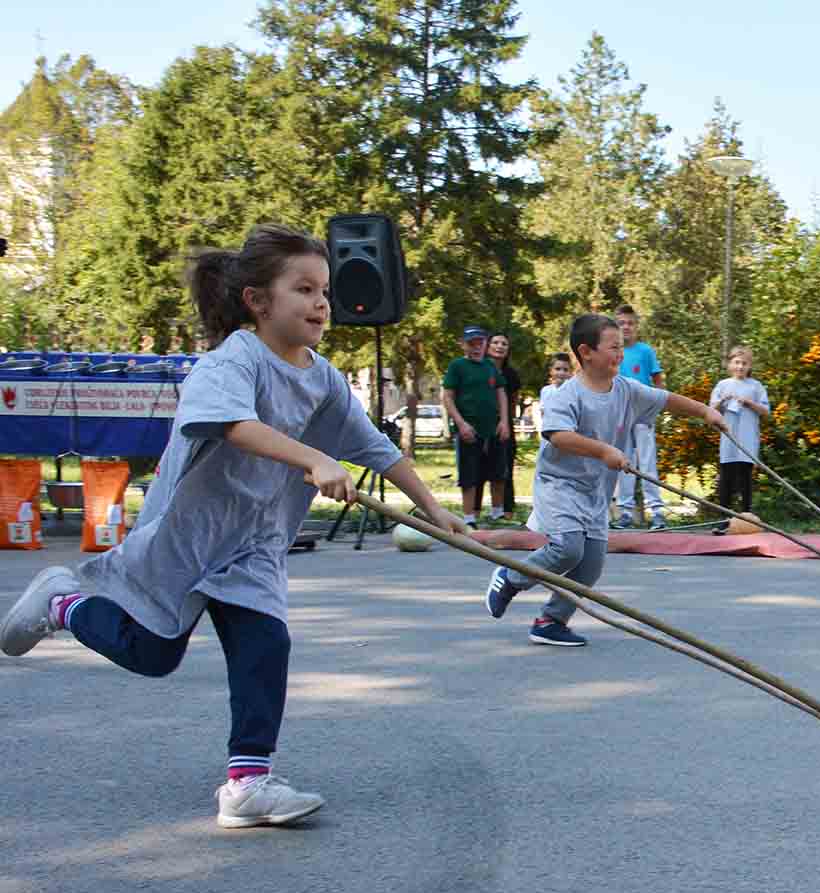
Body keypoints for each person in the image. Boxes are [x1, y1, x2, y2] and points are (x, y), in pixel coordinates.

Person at [0, 223, 468, 828]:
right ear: (257, 300)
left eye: (324, 290)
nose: (321, 303)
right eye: (303, 289)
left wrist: (434, 509)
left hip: (255, 541)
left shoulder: (322, 376)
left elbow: (373, 445)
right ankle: (61, 603)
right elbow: (231, 425)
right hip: (190, 534)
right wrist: (312, 458)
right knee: (151, 655)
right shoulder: (233, 360)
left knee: (265, 645)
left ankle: (247, 784)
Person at [485, 313, 724, 647]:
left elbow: (665, 398)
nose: (620, 353)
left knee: (591, 563)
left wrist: (705, 412)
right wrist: (603, 451)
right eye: (614, 347)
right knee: (568, 549)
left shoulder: (625, 389)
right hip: (559, 485)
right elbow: (557, 435)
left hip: (596, 491)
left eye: (622, 346)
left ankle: (550, 621)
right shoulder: (565, 394)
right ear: (586, 352)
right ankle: (510, 578)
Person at [442, 326, 510, 527]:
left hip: (494, 428)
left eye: (480, 343)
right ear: (463, 345)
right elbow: (447, 397)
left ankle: (497, 514)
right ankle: (469, 518)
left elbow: (501, 393)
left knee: (499, 472)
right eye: (472, 343)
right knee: (469, 474)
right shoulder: (457, 366)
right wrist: (461, 424)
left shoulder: (490, 366)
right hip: (469, 430)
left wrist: (504, 421)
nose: (476, 347)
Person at [612, 304, 668, 529]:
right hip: (620, 415)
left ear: (636, 326)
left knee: (647, 463)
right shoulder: (614, 352)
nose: (626, 327)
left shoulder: (645, 351)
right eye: (621, 323)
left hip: (643, 414)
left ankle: (656, 512)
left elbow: (658, 381)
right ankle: (625, 512)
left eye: (630, 323)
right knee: (624, 462)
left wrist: (657, 407)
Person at [709, 344, 770, 525]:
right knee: (726, 477)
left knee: (745, 478)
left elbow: (766, 411)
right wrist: (723, 401)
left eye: (744, 363)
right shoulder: (723, 385)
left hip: (748, 439)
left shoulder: (756, 386)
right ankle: (723, 517)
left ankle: (747, 516)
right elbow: (711, 409)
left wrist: (749, 403)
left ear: (749, 366)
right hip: (729, 439)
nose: (740, 367)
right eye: (737, 362)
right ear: (730, 364)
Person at [488, 331, 522, 517]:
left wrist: (506, 422)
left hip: (504, 426)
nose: (500, 346)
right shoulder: (480, 369)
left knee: (505, 468)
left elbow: (513, 401)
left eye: (504, 343)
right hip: (482, 424)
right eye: (496, 342)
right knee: (479, 469)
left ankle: (506, 509)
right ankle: (474, 512)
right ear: (488, 346)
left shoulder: (511, 374)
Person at [532, 352, 573, 434]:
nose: (561, 373)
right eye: (557, 369)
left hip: (567, 433)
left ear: (570, 372)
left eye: (565, 370)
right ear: (551, 370)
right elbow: (543, 412)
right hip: (548, 432)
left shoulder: (573, 391)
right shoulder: (545, 391)